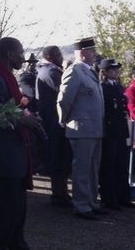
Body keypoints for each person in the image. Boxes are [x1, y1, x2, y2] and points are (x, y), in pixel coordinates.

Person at [0, 37, 48, 250]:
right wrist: (22, 119)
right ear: (9, 54)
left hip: (15, 153)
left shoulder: (7, 78)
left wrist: (26, 118)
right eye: (20, 53)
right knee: (8, 209)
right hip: (3, 156)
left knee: (19, 209)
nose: (23, 57)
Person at [57, 37, 106, 220]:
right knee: (82, 168)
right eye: (92, 51)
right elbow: (64, 100)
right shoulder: (75, 71)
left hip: (94, 128)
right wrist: (64, 120)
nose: (95, 54)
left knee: (93, 168)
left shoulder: (89, 71)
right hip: (81, 128)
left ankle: (92, 202)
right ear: (83, 52)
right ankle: (82, 205)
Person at [36, 45, 72, 207]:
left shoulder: (50, 70)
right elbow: (63, 93)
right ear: (50, 56)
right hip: (54, 121)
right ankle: (59, 195)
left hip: (54, 121)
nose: (61, 56)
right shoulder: (50, 72)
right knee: (58, 158)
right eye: (57, 54)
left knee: (61, 158)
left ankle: (62, 193)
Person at [98, 59, 134, 209]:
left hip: (120, 129)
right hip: (110, 130)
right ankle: (109, 198)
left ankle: (123, 196)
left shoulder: (119, 87)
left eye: (117, 69)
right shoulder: (103, 88)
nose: (116, 72)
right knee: (109, 164)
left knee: (122, 163)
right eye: (113, 69)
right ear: (105, 72)